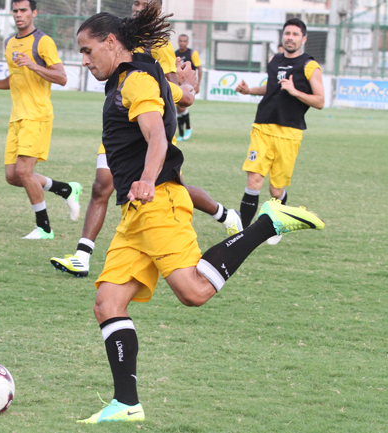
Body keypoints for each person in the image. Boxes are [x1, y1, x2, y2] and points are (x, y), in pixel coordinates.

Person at [74, 3, 325, 424]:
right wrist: (185, 88)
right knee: (108, 301)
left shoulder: (134, 80)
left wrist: (148, 178)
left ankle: (267, 223)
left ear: (111, 42)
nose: (83, 60)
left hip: (158, 204)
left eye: (86, 50)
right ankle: (126, 403)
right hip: (135, 214)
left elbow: (155, 134)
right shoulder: (138, 76)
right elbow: (175, 96)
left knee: (193, 292)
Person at [49, 0, 240, 278]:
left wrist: (186, 85)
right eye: (135, 1)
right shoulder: (120, 50)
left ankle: (227, 215)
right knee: (103, 186)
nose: (138, 6)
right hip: (121, 132)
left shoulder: (150, 59)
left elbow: (177, 97)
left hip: (148, 138)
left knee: (175, 191)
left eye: (144, 2)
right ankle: (83, 254)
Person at [0, 0, 81, 240]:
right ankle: (66, 189)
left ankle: (44, 228)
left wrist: (33, 65)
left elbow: (62, 78)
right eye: (15, 11)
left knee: (25, 171)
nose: (18, 15)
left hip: (37, 115)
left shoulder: (43, 41)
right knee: (13, 177)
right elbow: (15, 79)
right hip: (17, 117)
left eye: (23, 10)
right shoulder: (9, 43)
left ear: (34, 12)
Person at [235, 18, 324, 245]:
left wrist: (295, 92)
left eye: (295, 34)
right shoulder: (274, 60)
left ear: (303, 39)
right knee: (254, 179)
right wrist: (250, 91)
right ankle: (243, 235)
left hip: (289, 132)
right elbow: (272, 87)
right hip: (262, 126)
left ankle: (278, 224)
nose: (290, 38)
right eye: (287, 33)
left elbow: (320, 101)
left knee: (276, 190)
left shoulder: (310, 66)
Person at [174, 34, 202, 141]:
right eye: (180, 41)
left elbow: (200, 69)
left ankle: (188, 128)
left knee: (182, 107)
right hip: (179, 84)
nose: (182, 43)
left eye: (184, 41)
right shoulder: (175, 54)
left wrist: (198, 84)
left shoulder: (192, 53)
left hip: (189, 85)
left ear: (187, 42)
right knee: (178, 107)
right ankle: (181, 134)